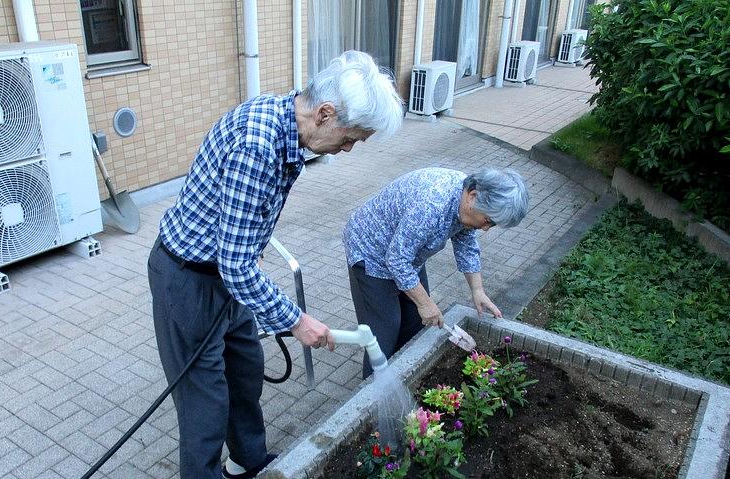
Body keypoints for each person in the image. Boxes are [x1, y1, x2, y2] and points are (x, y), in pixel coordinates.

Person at [147, 50, 403, 479]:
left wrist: (250, 245)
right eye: (350, 137)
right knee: (204, 405)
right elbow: (235, 265)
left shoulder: (286, 124)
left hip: (225, 276)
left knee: (244, 373)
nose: (347, 149)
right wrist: (296, 320)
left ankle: (248, 464)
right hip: (188, 280)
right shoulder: (259, 146)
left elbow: (238, 240)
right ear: (325, 113)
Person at [343, 167, 529, 378]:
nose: (486, 228)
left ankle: (403, 375)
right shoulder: (432, 205)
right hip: (371, 251)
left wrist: (477, 290)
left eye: (492, 224)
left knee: (415, 321)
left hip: (405, 252)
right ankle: (375, 395)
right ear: (473, 196)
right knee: (384, 330)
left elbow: (466, 241)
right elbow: (396, 259)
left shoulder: (466, 201)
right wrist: (424, 303)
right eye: (488, 221)